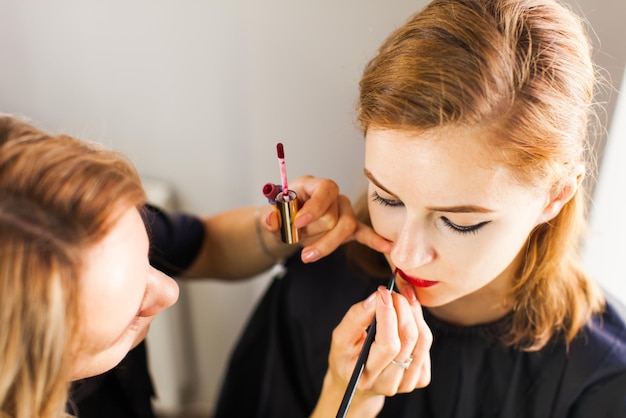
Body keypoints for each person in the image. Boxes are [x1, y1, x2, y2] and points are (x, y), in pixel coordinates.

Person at [214, 0, 626, 417]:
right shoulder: (310, 296)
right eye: (387, 198)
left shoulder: (602, 381)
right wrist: (347, 401)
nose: (404, 255)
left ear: (556, 195)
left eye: (459, 223)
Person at [0, 114, 392, 417]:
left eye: (147, 253)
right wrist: (349, 401)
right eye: (128, 319)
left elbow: (208, 245)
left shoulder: (56, 218)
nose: (170, 291)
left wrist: (285, 230)